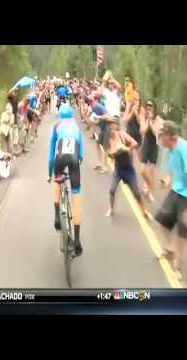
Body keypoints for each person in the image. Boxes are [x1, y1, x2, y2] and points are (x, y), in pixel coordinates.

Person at [155, 120, 187, 281]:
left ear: (170, 136)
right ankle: (169, 248)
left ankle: (177, 265)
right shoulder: (169, 150)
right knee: (163, 220)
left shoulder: (184, 149)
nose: (160, 137)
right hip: (177, 189)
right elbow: (171, 171)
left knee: (182, 232)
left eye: (162, 135)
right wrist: (166, 180)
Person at [47, 104, 84, 256]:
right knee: (76, 197)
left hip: (60, 158)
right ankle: (76, 240)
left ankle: (57, 215)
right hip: (74, 160)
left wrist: (50, 174)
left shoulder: (56, 126)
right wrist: (75, 165)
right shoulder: (76, 127)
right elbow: (80, 155)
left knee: (56, 180)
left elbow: (51, 156)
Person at [106, 121, 151, 219]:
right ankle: (111, 209)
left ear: (116, 126)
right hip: (118, 170)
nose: (112, 129)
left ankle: (144, 211)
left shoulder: (122, 135)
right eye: (110, 128)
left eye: (113, 126)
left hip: (129, 169)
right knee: (112, 190)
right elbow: (109, 154)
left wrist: (126, 148)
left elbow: (135, 143)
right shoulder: (110, 140)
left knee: (136, 193)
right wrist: (114, 153)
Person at [140, 100, 164, 203]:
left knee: (151, 171)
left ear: (154, 107)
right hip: (146, 144)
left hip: (154, 145)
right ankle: (147, 186)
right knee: (142, 170)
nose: (149, 107)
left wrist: (151, 121)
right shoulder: (143, 117)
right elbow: (143, 131)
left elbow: (156, 133)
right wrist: (147, 120)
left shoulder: (158, 119)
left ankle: (149, 191)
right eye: (147, 105)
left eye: (151, 105)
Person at [85, 96, 112, 174]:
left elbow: (108, 116)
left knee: (106, 148)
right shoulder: (93, 108)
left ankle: (105, 167)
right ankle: (100, 163)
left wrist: (98, 117)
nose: (93, 102)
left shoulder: (97, 106)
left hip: (108, 127)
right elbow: (95, 121)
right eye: (91, 101)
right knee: (97, 144)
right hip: (103, 128)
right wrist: (94, 121)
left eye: (92, 101)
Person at [8, 88, 21, 155]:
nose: (16, 92)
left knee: (15, 134)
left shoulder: (15, 98)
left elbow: (17, 109)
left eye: (16, 91)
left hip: (14, 117)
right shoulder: (12, 98)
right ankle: (13, 150)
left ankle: (14, 149)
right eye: (15, 91)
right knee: (13, 134)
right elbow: (8, 94)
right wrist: (12, 90)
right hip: (11, 118)